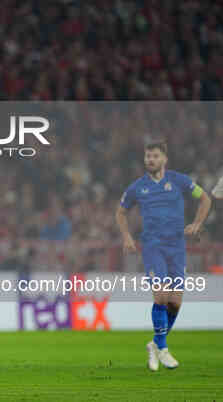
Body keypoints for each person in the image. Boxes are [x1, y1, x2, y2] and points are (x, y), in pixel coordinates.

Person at [115, 140, 211, 371]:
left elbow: (205, 198)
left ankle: (155, 344)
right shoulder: (137, 187)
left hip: (177, 247)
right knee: (161, 296)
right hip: (153, 246)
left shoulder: (180, 181)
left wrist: (197, 223)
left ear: (164, 159)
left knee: (175, 303)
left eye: (155, 156)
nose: (151, 160)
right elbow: (120, 211)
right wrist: (127, 237)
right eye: (148, 156)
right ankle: (164, 348)